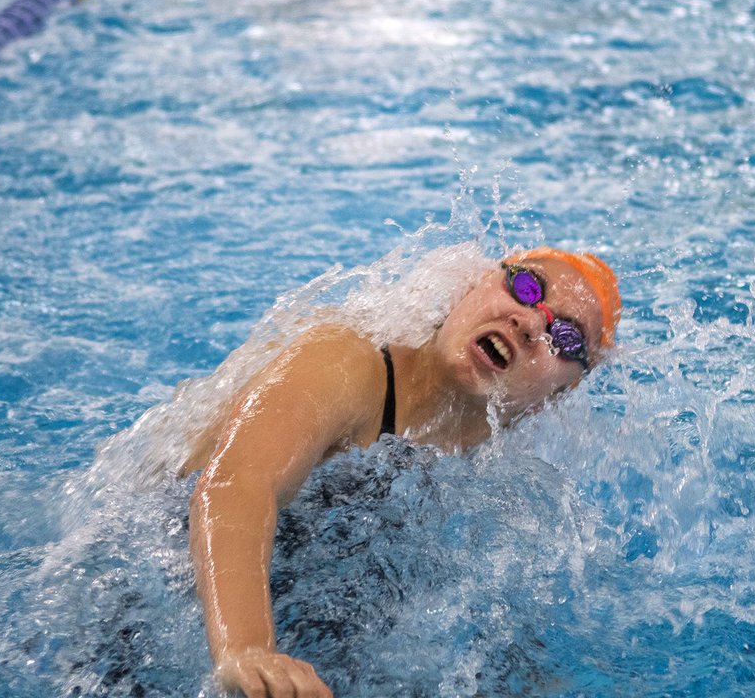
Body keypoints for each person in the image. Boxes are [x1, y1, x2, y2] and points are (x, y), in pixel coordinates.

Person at [181, 246, 622, 698]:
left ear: (554, 396)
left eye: (565, 337)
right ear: (471, 288)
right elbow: (235, 484)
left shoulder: (500, 489)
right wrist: (249, 652)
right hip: (170, 593)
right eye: (525, 288)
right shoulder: (343, 364)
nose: (530, 323)